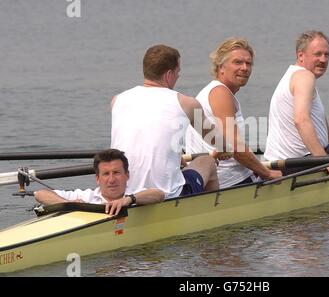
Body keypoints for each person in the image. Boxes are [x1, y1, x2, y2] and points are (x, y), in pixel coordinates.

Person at [111, 44, 219, 198]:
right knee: (207, 161)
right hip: (166, 194)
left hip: (121, 191)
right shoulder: (187, 103)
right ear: (169, 74)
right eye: (178, 72)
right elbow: (215, 140)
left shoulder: (117, 100)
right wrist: (225, 149)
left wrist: (175, 157)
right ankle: (211, 212)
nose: (178, 76)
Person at [185, 38, 282, 188]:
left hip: (215, 176)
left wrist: (259, 167)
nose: (245, 68)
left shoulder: (212, 91)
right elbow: (235, 146)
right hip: (229, 181)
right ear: (221, 67)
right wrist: (267, 173)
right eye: (237, 62)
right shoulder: (220, 93)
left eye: (248, 63)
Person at [264, 31, 329, 174]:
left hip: (276, 161)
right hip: (299, 162)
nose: (323, 60)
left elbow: (317, 117)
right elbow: (301, 120)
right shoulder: (304, 76)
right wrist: (323, 159)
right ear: (300, 55)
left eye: (326, 54)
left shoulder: (293, 75)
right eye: (317, 54)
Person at [34, 149, 165, 215]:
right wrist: (67, 204)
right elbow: (40, 194)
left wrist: (128, 200)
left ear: (127, 175)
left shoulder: (136, 194)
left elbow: (159, 195)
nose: (111, 179)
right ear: (97, 178)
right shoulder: (85, 196)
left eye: (117, 173)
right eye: (106, 174)